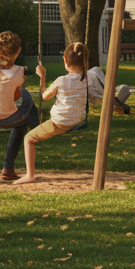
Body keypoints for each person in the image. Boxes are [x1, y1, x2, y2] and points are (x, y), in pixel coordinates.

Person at [13, 42, 90, 185]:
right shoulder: (87, 79)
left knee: (28, 139)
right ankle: (29, 174)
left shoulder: (61, 81)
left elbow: (45, 96)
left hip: (59, 123)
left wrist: (43, 77)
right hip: (77, 120)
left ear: (65, 62)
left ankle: (30, 175)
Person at [0, 31, 42, 180]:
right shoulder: (19, 72)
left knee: (21, 125)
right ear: (18, 51)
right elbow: (17, 97)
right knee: (27, 96)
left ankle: (8, 169)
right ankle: (37, 126)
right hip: (9, 119)